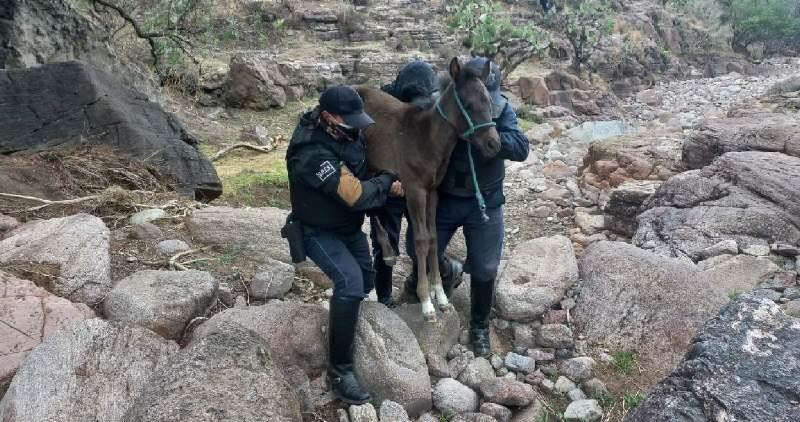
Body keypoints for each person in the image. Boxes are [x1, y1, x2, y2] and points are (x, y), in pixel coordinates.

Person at [285, 85, 403, 404]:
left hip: (348, 229)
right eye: (349, 120)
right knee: (350, 283)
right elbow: (353, 194)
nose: (357, 125)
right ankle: (341, 371)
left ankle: (343, 319)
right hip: (318, 231)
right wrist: (387, 183)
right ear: (328, 117)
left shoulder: (345, 133)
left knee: (364, 281)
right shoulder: (310, 150)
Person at [405, 57, 529, 357]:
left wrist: (492, 140)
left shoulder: (500, 109)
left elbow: (522, 147)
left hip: (485, 201)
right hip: (445, 197)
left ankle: (479, 326)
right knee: (413, 246)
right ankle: (448, 271)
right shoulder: (443, 107)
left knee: (486, 266)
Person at [369, 60, 462, 307]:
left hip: (419, 181)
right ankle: (385, 297)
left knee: (425, 235)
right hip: (391, 185)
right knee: (385, 243)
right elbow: (373, 145)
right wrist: (388, 180)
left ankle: (440, 273)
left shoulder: (432, 107)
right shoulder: (383, 106)